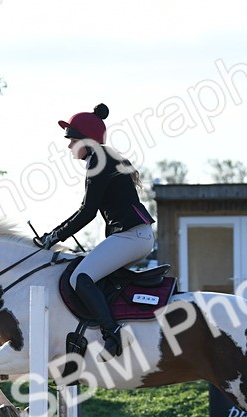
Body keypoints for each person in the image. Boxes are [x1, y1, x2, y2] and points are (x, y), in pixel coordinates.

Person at [33, 103, 155, 357]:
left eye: (72, 140)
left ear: (87, 141)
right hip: (135, 235)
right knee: (94, 276)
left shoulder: (98, 162)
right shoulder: (103, 158)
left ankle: (113, 332)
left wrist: (53, 237)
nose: (69, 146)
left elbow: (87, 212)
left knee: (80, 278)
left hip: (131, 236)